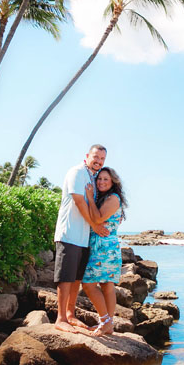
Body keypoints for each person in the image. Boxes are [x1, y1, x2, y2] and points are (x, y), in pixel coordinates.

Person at [53, 144, 109, 333]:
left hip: (83, 238)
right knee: (65, 277)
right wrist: (94, 225)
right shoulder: (77, 172)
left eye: (102, 159)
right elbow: (78, 201)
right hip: (69, 233)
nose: (98, 161)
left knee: (76, 279)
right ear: (87, 156)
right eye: (96, 157)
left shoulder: (93, 178)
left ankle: (70, 315)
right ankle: (60, 319)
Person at [81, 166, 127, 336]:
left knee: (88, 285)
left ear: (113, 181)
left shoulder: (113, 198)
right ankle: (108, 325)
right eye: (99, 179)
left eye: (105, 179)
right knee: (107, 285)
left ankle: (105, 321)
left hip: (104, 247)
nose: (101, 182)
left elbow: (98, 218)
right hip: (104, 245)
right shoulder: (105, 198)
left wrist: (89, 199)